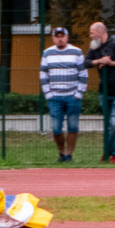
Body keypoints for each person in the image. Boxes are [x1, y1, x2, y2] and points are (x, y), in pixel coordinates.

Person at [84, 21, 115, 164]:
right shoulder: (95, 46)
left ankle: (108, 153)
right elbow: (85, 62)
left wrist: (111, 63)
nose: (91, 36)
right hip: (104, 91)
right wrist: (99, 61)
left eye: (92, 33)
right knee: (108, 124)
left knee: (113, 123)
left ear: (101, 32)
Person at [39, 26, 85, 162]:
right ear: (53, 38)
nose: (60, 39)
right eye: (57, 36)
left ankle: (69, 155)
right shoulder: (47, 53)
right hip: (54, 97)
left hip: (72, 96)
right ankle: (61, 152)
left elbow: (83, 74)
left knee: (73, 127)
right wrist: (48, 93)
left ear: (67, 37)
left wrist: (78, 94)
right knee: (56, 128)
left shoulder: (77, 52)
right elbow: (43, 74)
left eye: (62, 36)